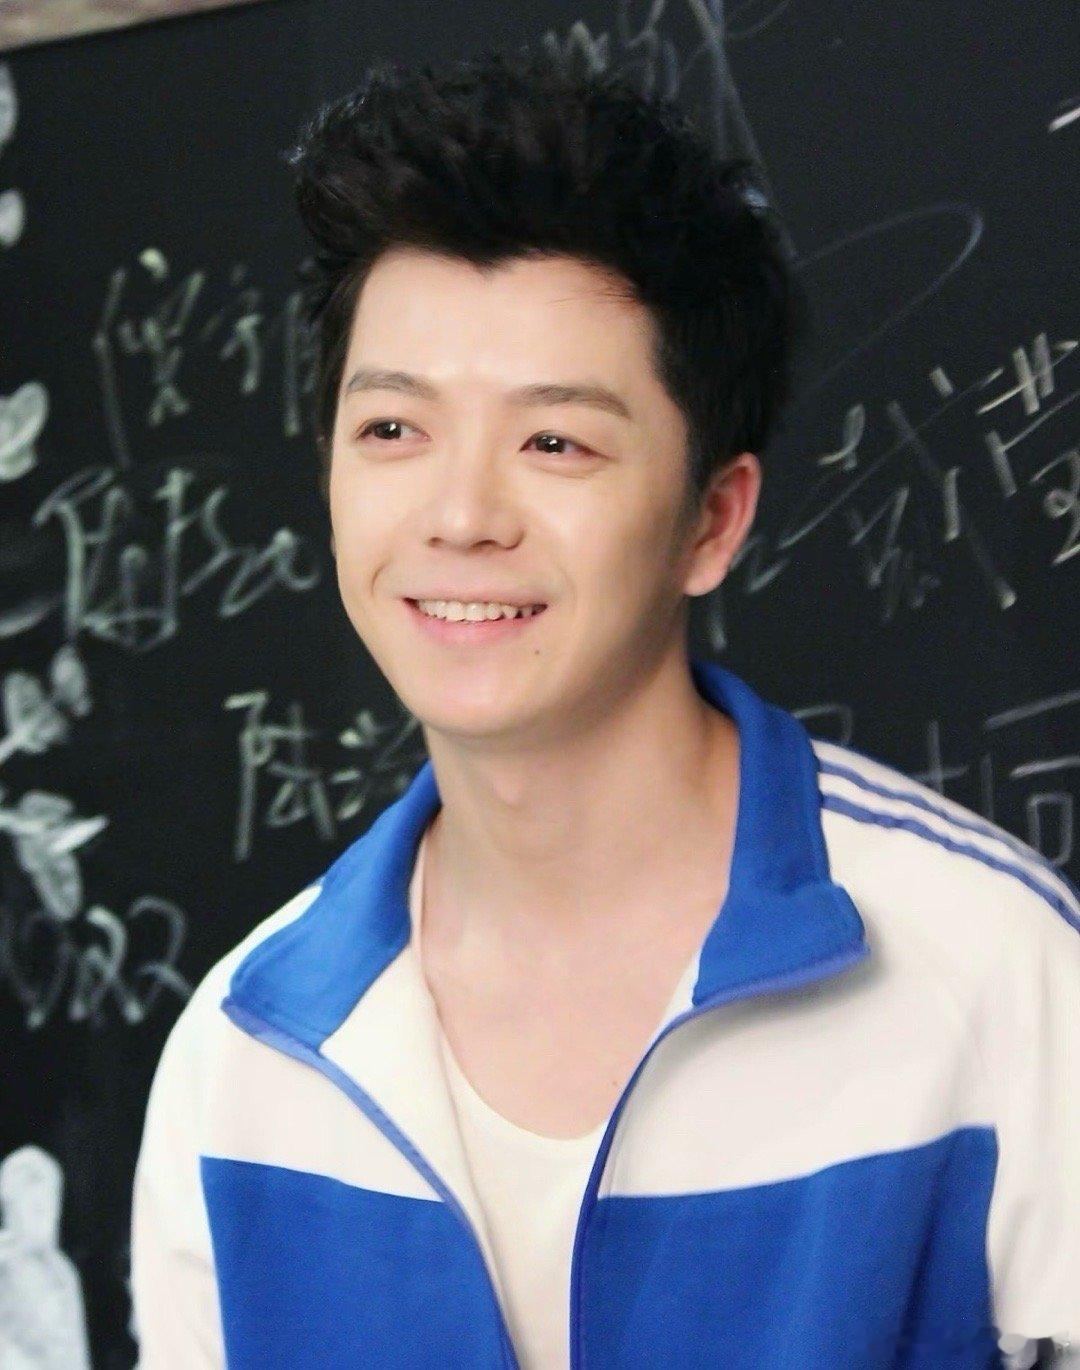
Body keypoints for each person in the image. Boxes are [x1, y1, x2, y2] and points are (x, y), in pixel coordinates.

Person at [129, 44, 1079, 1369]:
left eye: (555, 441)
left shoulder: (993, 972)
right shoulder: (244, 1064)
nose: (460, 515)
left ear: (713, 519)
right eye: (393, 430)